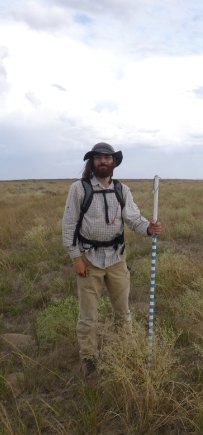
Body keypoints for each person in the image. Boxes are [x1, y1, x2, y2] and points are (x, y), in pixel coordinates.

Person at [62, 142, 162, 378]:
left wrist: (149, 228)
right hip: (88, 261)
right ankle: (89, 359)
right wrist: (76, 257)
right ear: (92, 162)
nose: (103, 161)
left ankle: (124, 349)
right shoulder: (79, 189)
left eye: (108, 158)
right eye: (98, 158)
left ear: (114, 162)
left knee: (123, 312)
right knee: (88, 317)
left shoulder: (122, 190)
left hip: (117, 259)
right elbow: (68, 224)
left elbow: (134, 218)